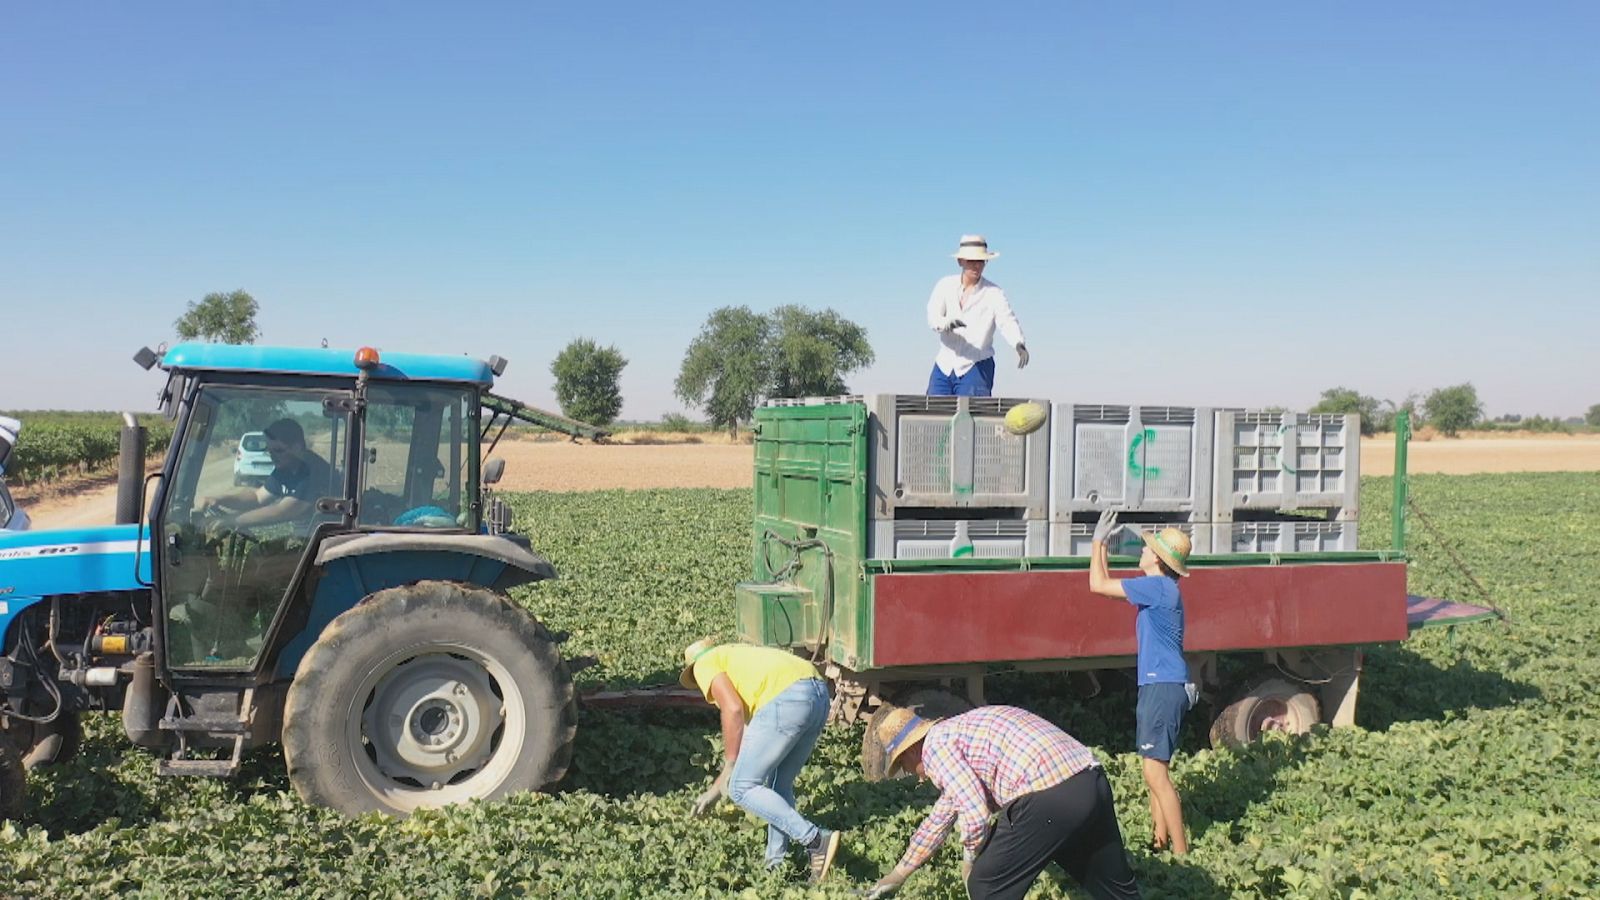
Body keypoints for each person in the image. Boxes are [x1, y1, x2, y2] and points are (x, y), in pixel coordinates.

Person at [865, 704, 1141, 900]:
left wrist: (970, 862)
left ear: (912, 750)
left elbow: (974, 811)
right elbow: (941, 818)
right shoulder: (958, 732)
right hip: (1089, 781)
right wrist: (898, 874)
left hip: (1048, 794)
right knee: (1115, 889)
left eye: (905, 765)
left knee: (986, 885)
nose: (916, 776)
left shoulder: (935, 747)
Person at [680, 638, 842, 883]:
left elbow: (732, 709)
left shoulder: (705, 664)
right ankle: (774, 866)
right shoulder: (737, 659)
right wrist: (715, 789)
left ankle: (815, 839)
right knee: (779, 785)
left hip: (788, 700)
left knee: (741, 788)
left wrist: (730, 765)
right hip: (817, 695)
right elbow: (749, 737)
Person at [1087, 510, 1195, 855]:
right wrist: (1101, 544)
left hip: (1162, 686)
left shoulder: (1159, 588)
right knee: (1154, 774)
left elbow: (1097, 585)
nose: (1142, 551)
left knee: (1155, 775)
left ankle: (1181, 855)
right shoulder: (1162, 588)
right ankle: (1159, 844)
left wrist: (1098, 541)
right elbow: (1103, 585)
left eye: (1148, 548)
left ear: (1159, 560)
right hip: (1160, 685)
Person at [925, 234, 1028, 396]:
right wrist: (945, 323)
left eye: (980, 261)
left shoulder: (994, 293)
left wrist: (1018, 342)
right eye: (971, 261)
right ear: (960, 261)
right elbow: (932, 315)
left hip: (976, 366)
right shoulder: (945, 285)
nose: (976, 266)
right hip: (944, 365)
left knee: (971, 418)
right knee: (933, 414)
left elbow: (1007, 320)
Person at [201, 418, 332, 529]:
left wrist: (232, 520)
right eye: (270, 451)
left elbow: (284, 511)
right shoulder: (286, 468)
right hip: (306, 536)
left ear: (297, 447)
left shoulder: (313, 471)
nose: (273, 457)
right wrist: (220, 500)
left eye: (278, 450)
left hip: (324, 542)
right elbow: (258, 497)